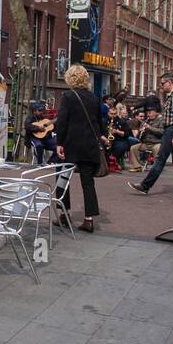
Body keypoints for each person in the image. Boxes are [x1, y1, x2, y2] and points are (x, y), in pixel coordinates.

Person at [55, 64, 110, 233]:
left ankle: (64, 214)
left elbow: (62, 121)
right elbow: (99, 122)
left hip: (71, 144)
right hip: (89, 145)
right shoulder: (94, 98)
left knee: (63, 179)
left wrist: (59, 143)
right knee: (87, 182)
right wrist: (101, 135)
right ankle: (89, 219)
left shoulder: (68, 96)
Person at [129, 74, 173, 198]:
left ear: (169, 82)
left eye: (162, 84)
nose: (161, 86)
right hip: (172, 130)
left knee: (161, 159)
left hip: (172, 130)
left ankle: (145, 186)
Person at [108, 103, 140, 170]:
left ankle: (114, 161)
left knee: (121, 147)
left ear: (117, 113)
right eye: (111, 114)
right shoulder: (104, 121)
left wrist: (117, 131)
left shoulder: (121, 122)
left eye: (115, 114)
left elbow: (128, 134)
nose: (113, 116)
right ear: (108, 113)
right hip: (107, 140)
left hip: (120, 140)